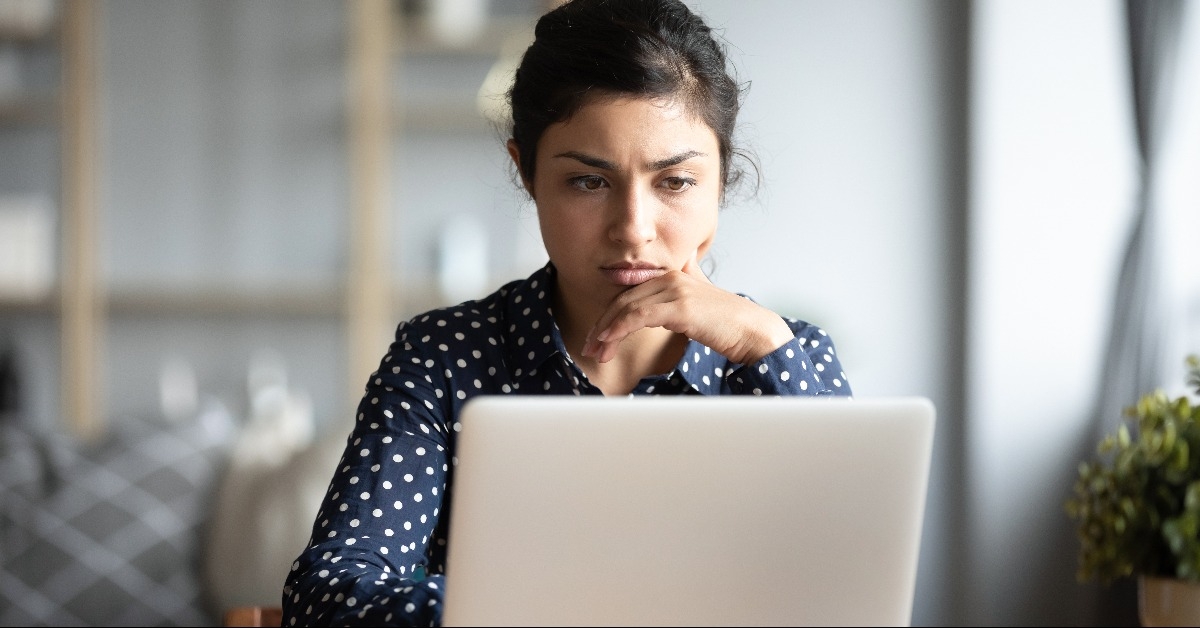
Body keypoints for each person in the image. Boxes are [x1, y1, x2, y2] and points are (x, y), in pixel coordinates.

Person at [281, 0, 852, 624]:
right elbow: (329, 592)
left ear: (721, 181)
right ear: (525, 172)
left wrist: (765, 344)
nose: (633, 230)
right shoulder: (443, 358)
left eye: (676, 182)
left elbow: (852, 589)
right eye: (588, 181)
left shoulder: (783, 354)